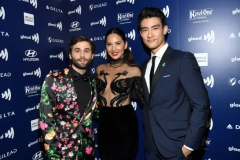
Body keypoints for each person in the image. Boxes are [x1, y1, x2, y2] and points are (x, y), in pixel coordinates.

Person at [137, 7, 210, 160]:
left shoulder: (183, 60)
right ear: (140, 33)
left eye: (155, 28)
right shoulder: (144, 66)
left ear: (165, 29)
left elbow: (201, 104)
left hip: (176, 147)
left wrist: (189, 145)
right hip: (151, 148)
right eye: (145, 30)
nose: (149, 34)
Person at [39, 36, 99, 160]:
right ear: (70, 55)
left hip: (87, 151)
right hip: (61, 152)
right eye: (77, 50)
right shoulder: (53, 79)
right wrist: (53, 155)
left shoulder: (94, 83)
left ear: (92, 55)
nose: (82, 55)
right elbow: (45, 120)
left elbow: (95, 115)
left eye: (86, 51)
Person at [95, 27, 145, 160]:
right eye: (109, 44)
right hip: (104, 121)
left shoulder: (133, 70)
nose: (113, 48)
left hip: (125, 122)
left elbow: (144, 102)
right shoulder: (100, 69)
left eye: (118, 43)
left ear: (126, 44)